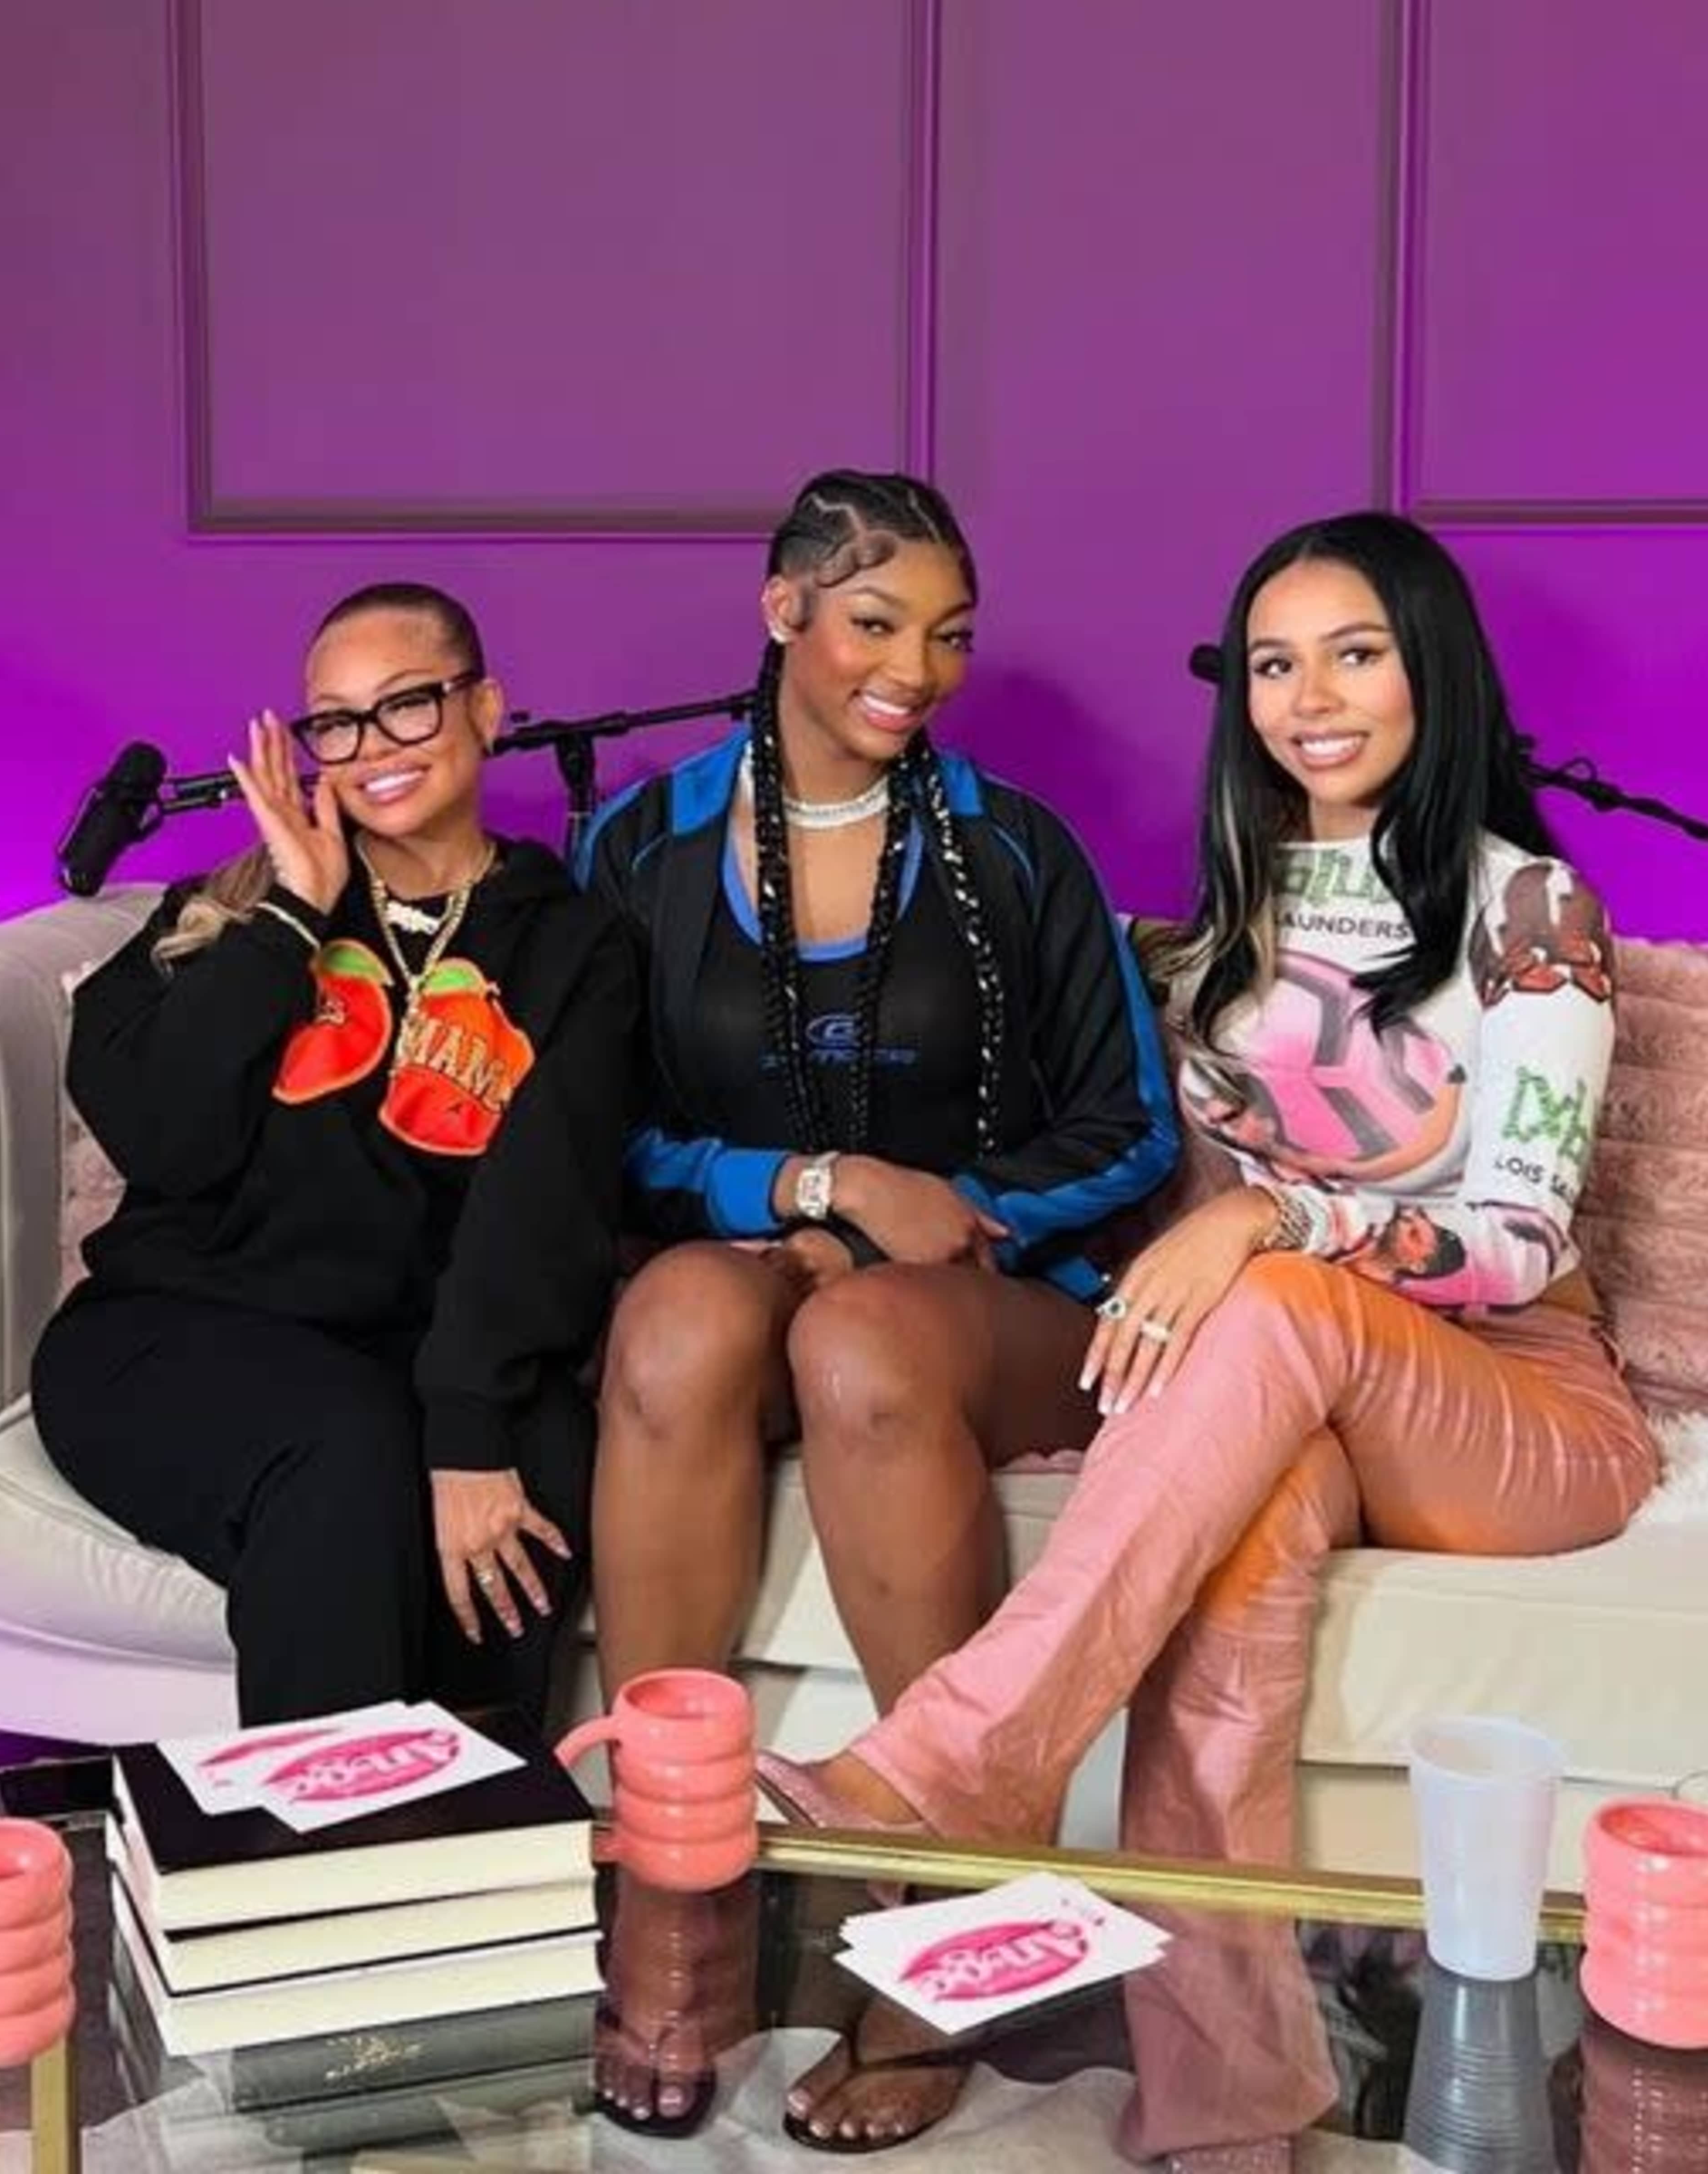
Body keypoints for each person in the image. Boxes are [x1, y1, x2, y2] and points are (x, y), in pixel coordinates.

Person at [758, 511, 1660, 2164]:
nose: (1308, 697)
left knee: (1285, 1285)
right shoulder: (1227, 930)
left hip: (1523, 1410)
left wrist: (1274, 1220)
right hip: (1301, 1390)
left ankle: (965, 1758)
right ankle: (1228, 2115)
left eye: (1355, 654)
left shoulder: (1534, 911)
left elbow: (1522, 1241)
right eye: (1271, 663)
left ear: (1432, 672)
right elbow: (1171, 1204)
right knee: (1232, 1583)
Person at [577, 468, 1177, 2144]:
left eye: (950, 635)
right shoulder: (643, 845)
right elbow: (590, 1140)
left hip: (991, 1306)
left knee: (859, 1335)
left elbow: (1131, 1127)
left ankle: (936, 1930)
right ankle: (671, 1907)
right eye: (874, 620)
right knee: (683, 1324)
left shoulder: (1009, 847)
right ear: (783, 613)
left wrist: (946, 1224)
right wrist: (810, 1188)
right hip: (754, 1266)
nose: (915, 667)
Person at [32, 582, 636, 1730]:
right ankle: (316, 1877)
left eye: (408, 706)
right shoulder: (233, 912)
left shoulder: (574, 946)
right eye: (337, 723)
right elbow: (165, 1138)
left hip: (405, 1348)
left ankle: (468, 1861)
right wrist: (298, 921)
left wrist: (467, 1429)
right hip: (167, 1333)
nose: (372, 751)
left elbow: (543, 1202)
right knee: (345, 1451)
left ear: (488, 709)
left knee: (543, 1449)